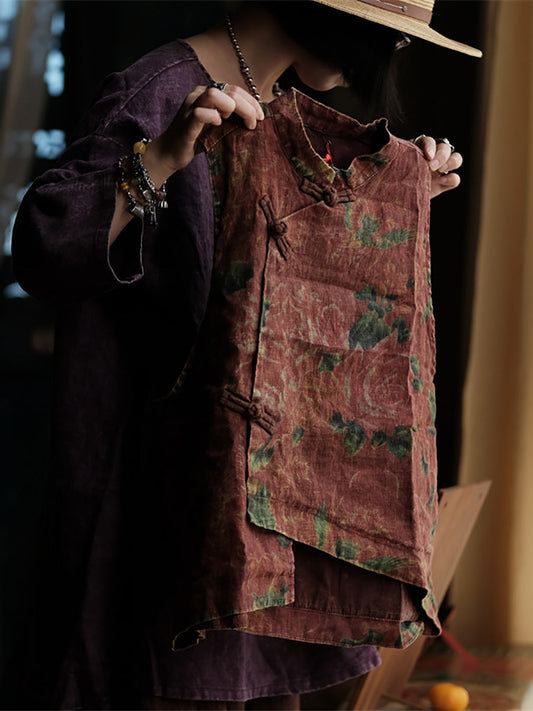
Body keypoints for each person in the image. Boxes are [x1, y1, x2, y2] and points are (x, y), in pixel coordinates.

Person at [12, 1, 481, 709]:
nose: (388, 54)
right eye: (387, 35)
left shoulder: (281, 107)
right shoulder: (160, 91)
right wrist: (158, 161)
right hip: (161, 512)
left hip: (257, 519)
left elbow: (282, 293)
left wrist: (397, 195)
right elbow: (46, 248)